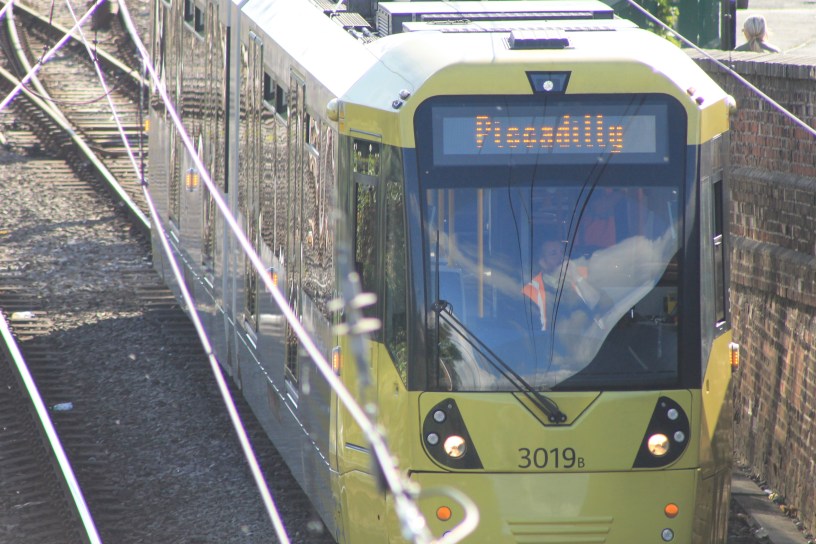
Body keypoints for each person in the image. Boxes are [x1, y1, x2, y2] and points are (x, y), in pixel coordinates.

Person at [522, 237, 605, 332]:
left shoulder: (580, 275)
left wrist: (577, 277)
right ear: (543, 263)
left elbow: (602, 306)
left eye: (562, 252)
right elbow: (536, 328)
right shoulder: (530, 291)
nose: (561, 257)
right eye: (553, 254)